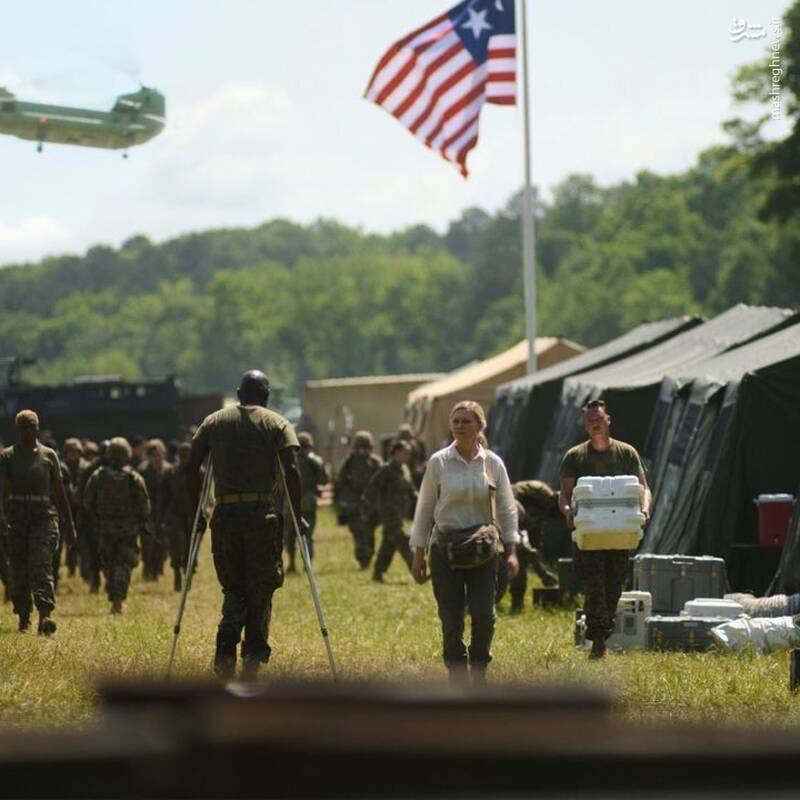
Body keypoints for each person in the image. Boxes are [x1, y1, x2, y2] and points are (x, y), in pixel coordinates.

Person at [187, 369, 306, 680]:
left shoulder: (213, 422)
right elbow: (292, 470)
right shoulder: (277, 423)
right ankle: (253, 658)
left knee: (234, 588)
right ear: (266, 396)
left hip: (225, 516)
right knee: (261, 588)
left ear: (239, 395)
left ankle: (225, 651)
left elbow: (191, 465)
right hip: (261, 517)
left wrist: (197, 511)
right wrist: (298, 514)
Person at [410, 400, 519, 683]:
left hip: (483, 551)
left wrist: (511, 551)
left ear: (480, 426)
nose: (459, 426)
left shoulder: (493, 463)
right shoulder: (439, 462)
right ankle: (457, 675)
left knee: (484, 615)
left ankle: (479, 670)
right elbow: (424, 509)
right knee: (451, 618)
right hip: (445, 550)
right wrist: (419, 554)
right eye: (455, 421)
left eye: (466, 421)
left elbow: (507, 509)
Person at [559, 398, 652, 659]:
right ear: (584, 425)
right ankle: (598, 639)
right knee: (594, 585)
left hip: (620, 534)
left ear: (608, 420)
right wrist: (567, 512)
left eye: (599, 419)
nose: (595, 424)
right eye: (590, 421)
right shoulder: (575, 456)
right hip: (589, 535)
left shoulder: (626, 453)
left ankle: (603, 629)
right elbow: (564, 493)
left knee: (614, 585)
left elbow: (644, 488)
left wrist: (645, 510)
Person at [0, 410, 76, 635]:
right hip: (17, 517)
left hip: (44, 517)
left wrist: (70, 524)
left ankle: (45, 616)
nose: (28, 430)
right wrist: (2, 516)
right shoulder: (7, 457)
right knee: (19, 567)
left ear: (38, 427)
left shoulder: (49, 456)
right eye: (24, 427)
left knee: (41, 564)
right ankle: (24, 617)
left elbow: (60, 492)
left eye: (32, 426)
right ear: (18, 429)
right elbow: (1, 490)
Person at [83, 437, 151, 614]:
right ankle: (118, 600)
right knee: (124, 563)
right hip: (128, 528)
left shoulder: (98, 476)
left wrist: (97, 520)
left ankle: (114, 594)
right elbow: (144, 504)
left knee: (109, 562)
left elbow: (87, 502)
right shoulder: (133, 478)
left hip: (105, 528)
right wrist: (141, 521)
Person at [497, 481, 562, 612]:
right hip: (506, 518)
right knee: (519, 557)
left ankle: (514, 602)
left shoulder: (534, 510)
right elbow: (526, 547)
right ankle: (512, 602)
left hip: (510, 517)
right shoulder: (541, 495)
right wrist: (542, 573)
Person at [364, 439, 417, 583]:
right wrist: (366, 509)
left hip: (400, 513)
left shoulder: (404, 469)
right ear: (396, 452)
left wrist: (420, 501)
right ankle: (417, 571)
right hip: (389, 513)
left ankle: (378, 573)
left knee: (389, 544)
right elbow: (371, 489)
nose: (408, 456)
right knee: (403, 540)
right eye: (405, 453)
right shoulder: (386, 469)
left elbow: (411, 489)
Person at [334, 431, 382, 569]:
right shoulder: (372, 461)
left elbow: (340, 480)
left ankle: (364, 557)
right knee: (365, 531)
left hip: (360, 503)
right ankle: (366, 556)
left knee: (362, 532)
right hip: (365, 503)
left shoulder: (351, 461)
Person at [286, 432, 327, 573]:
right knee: (307, 536)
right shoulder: (314, 462)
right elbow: (324, 480)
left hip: (290, 505)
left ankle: (292, 563)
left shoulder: (287, 461)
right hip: (308, 504)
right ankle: (307, 566)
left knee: (290, 536)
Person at [138, 439, 171, 581]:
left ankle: (158, 569)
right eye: (154, 455)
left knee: (163, 544)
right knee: (147, 544)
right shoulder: (143, 471)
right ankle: (147, 569)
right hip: (148, 513)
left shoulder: (169, 471)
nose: (157, 457)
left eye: (160, 454)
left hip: (164, 513)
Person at [164, 442, 192, 591]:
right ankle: (177, 574)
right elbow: (163, 495)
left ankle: (188, 574)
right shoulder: (171, 473)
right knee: (176, 547)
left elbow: (205, 496)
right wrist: (161, 517)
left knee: (190, 548)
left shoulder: (198, 472)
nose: (185, 458)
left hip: (192, 516)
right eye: (182, 455)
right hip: (175, 515)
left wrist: (205, 510)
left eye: (187, 455)